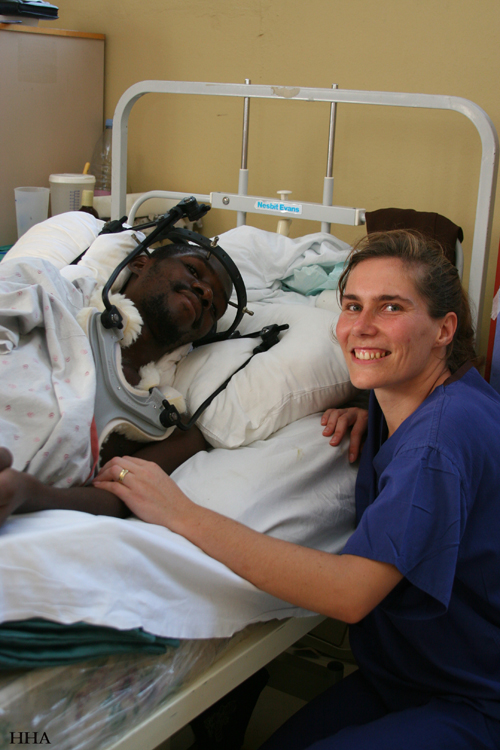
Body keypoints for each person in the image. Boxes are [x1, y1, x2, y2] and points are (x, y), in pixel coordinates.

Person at [94, 229, 500, 749]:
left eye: (391, 307)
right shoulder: (410, 399)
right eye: (352, 305)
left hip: (474, 699)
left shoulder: (437, 443)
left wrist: (180, 512)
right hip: (406, 678)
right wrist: (364, 412)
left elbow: (349, 594)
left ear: (444, 328)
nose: (362, 327)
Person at [0, 242, 232, 527]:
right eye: (194, 269)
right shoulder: (46, 288)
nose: (206, 293)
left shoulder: (168, 427)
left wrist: (29, 493)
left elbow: (120, 498)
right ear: (139, 263)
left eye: (215, 308)